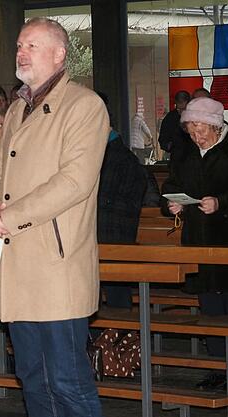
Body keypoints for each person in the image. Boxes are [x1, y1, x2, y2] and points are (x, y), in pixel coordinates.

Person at [0, 18, 107, 417]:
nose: (21, 53)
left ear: (60, 54)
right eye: (18, 45)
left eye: (31, 45)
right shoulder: (16, 109)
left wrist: (7, 217)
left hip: (55, 266)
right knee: (32, 379)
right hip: (16, 266)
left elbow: (74, 182)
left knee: (68, 381)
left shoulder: (84, 106)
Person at [161, 96, 228, 390]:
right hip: (198, 242)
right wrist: (172, 203)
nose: (196, 137)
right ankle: (217, 367)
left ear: (216, 127)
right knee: (209, 309)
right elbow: (171, 185)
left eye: (201, 131)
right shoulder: (186, 153)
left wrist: (221, 203)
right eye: (191, 131)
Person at [94, 93, 147, 309]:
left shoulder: (123, 159)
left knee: (117, 295)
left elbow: (128, 203)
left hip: (112, 237)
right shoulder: (97, 153)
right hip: (97, 237)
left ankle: (121, 338)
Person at [158, 90, 190, 161]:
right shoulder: (170, 118)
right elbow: (163, 139)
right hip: (177, 158)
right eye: (178, 109)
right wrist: (172, 146)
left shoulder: (194, 117)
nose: (181, 112)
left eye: (183, 109)